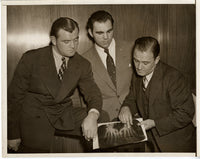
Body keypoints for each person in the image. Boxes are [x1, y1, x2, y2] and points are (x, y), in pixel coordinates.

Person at [7, 17, 104, 153]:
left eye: (76, 39)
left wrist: (93, 115)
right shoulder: (31, 59)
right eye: (66, 41)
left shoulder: (82, 64)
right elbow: (13, 98)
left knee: (102, 118)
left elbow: (92, 92)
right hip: (35, 115)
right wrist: (12, 134)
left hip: (62, 112)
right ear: (53, 40)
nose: (73, 46)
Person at [119, 36, 196, 152]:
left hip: (176, 143)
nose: (139, 67)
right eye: (136, 60)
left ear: (157, 60)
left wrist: (155, 123)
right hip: (152, 142)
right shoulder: (137, 75)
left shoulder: (174, 78)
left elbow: (186, 113)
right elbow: (133, 97)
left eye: (145, 63)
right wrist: (126, 107)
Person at [82, 10, 144, 152]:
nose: (106, 37)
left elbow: (141, 83)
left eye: (109, 31)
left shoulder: (131, 49)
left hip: (133, 118)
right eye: (99, 33)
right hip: (103, 124)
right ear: (90, 32)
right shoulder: (83, 60)